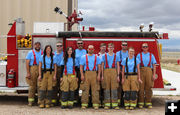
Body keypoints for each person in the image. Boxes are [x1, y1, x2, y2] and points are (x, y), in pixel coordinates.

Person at [80, 45, 101, 109]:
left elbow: (99, 67)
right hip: (86, 73)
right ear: (87, 49)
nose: (91, 50)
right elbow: (81, 67)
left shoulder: (97, 57)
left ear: (94, 49)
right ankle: (84, 104)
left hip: (94, 73)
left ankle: (95, 104)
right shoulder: (83, 57)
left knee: (95, 90)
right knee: (85, 89)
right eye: (89, 49)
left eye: (92, 49)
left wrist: (99, 75)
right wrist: (82, 75)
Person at [137, 43, 157, 109]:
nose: (145, 48)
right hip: (141, 71)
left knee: (149, 87)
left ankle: (148, 102)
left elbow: (154, 65)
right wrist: (138, 76)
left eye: (146, 47)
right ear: (142, 48)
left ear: (148, 48)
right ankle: (141, 103)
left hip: (149, 71)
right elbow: (137, 66)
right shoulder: (139, 55)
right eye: (143, 47)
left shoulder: (151, 55)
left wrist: (154, 74)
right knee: (141, 88)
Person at [101, 43, 120, 110]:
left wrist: (118, 75)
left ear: (113, 48)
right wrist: (102, 75)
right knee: (106, 88)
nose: (110, 48)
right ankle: (107, 104)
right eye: (109, 47)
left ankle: (115, 104)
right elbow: (102, 66)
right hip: (106, 72)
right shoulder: (104, 56)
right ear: (107, 48)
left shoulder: (116, 56)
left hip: (114, 72)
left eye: (112, 47)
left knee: (114, 88)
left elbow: (118, 66)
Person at [26, 42, 42, 106]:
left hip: (40, 69)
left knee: (40, 86)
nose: (37, 46)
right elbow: (27, 63)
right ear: (34, 45)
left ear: (40, 46)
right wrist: (28, 73)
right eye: (36, 45)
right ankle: (31, 101)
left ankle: (39, 101)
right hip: (33, 68)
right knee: (32, 86)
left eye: (39, 45)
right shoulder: (30, 53)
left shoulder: (42, 52)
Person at [116, 41, 128, 106]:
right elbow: (116, 63)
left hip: (127, 73)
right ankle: (118, 101)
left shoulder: (129, 53)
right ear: (121, 45)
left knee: (126, 87)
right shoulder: (118, 53)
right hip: (120, 72)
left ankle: (125, 101)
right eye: (123, 45)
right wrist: (119, 71)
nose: (124, 46)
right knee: (119, 87)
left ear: (127, 46)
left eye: (125, 45)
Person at [75, 39, 87, 104]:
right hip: (77, 70)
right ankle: (76, 100)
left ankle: (84, 100)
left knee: (84, 86)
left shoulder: (85, 51)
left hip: (84, 70)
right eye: (79, 43)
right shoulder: (74, 51)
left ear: (83, 44)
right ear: (77, 44)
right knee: (76, 85)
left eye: (81, 43)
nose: (80, 45)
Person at [52, 41, 64, 106]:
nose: (59, 47)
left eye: (60, 46)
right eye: (57, 46)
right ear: (56, 47)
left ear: (62, 47)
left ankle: (61, 100)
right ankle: (54, 101)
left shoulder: (64, 54)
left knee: (62, 85)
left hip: (61, 70)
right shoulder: (53, 54)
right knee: (54, 86)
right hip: (54, 70)